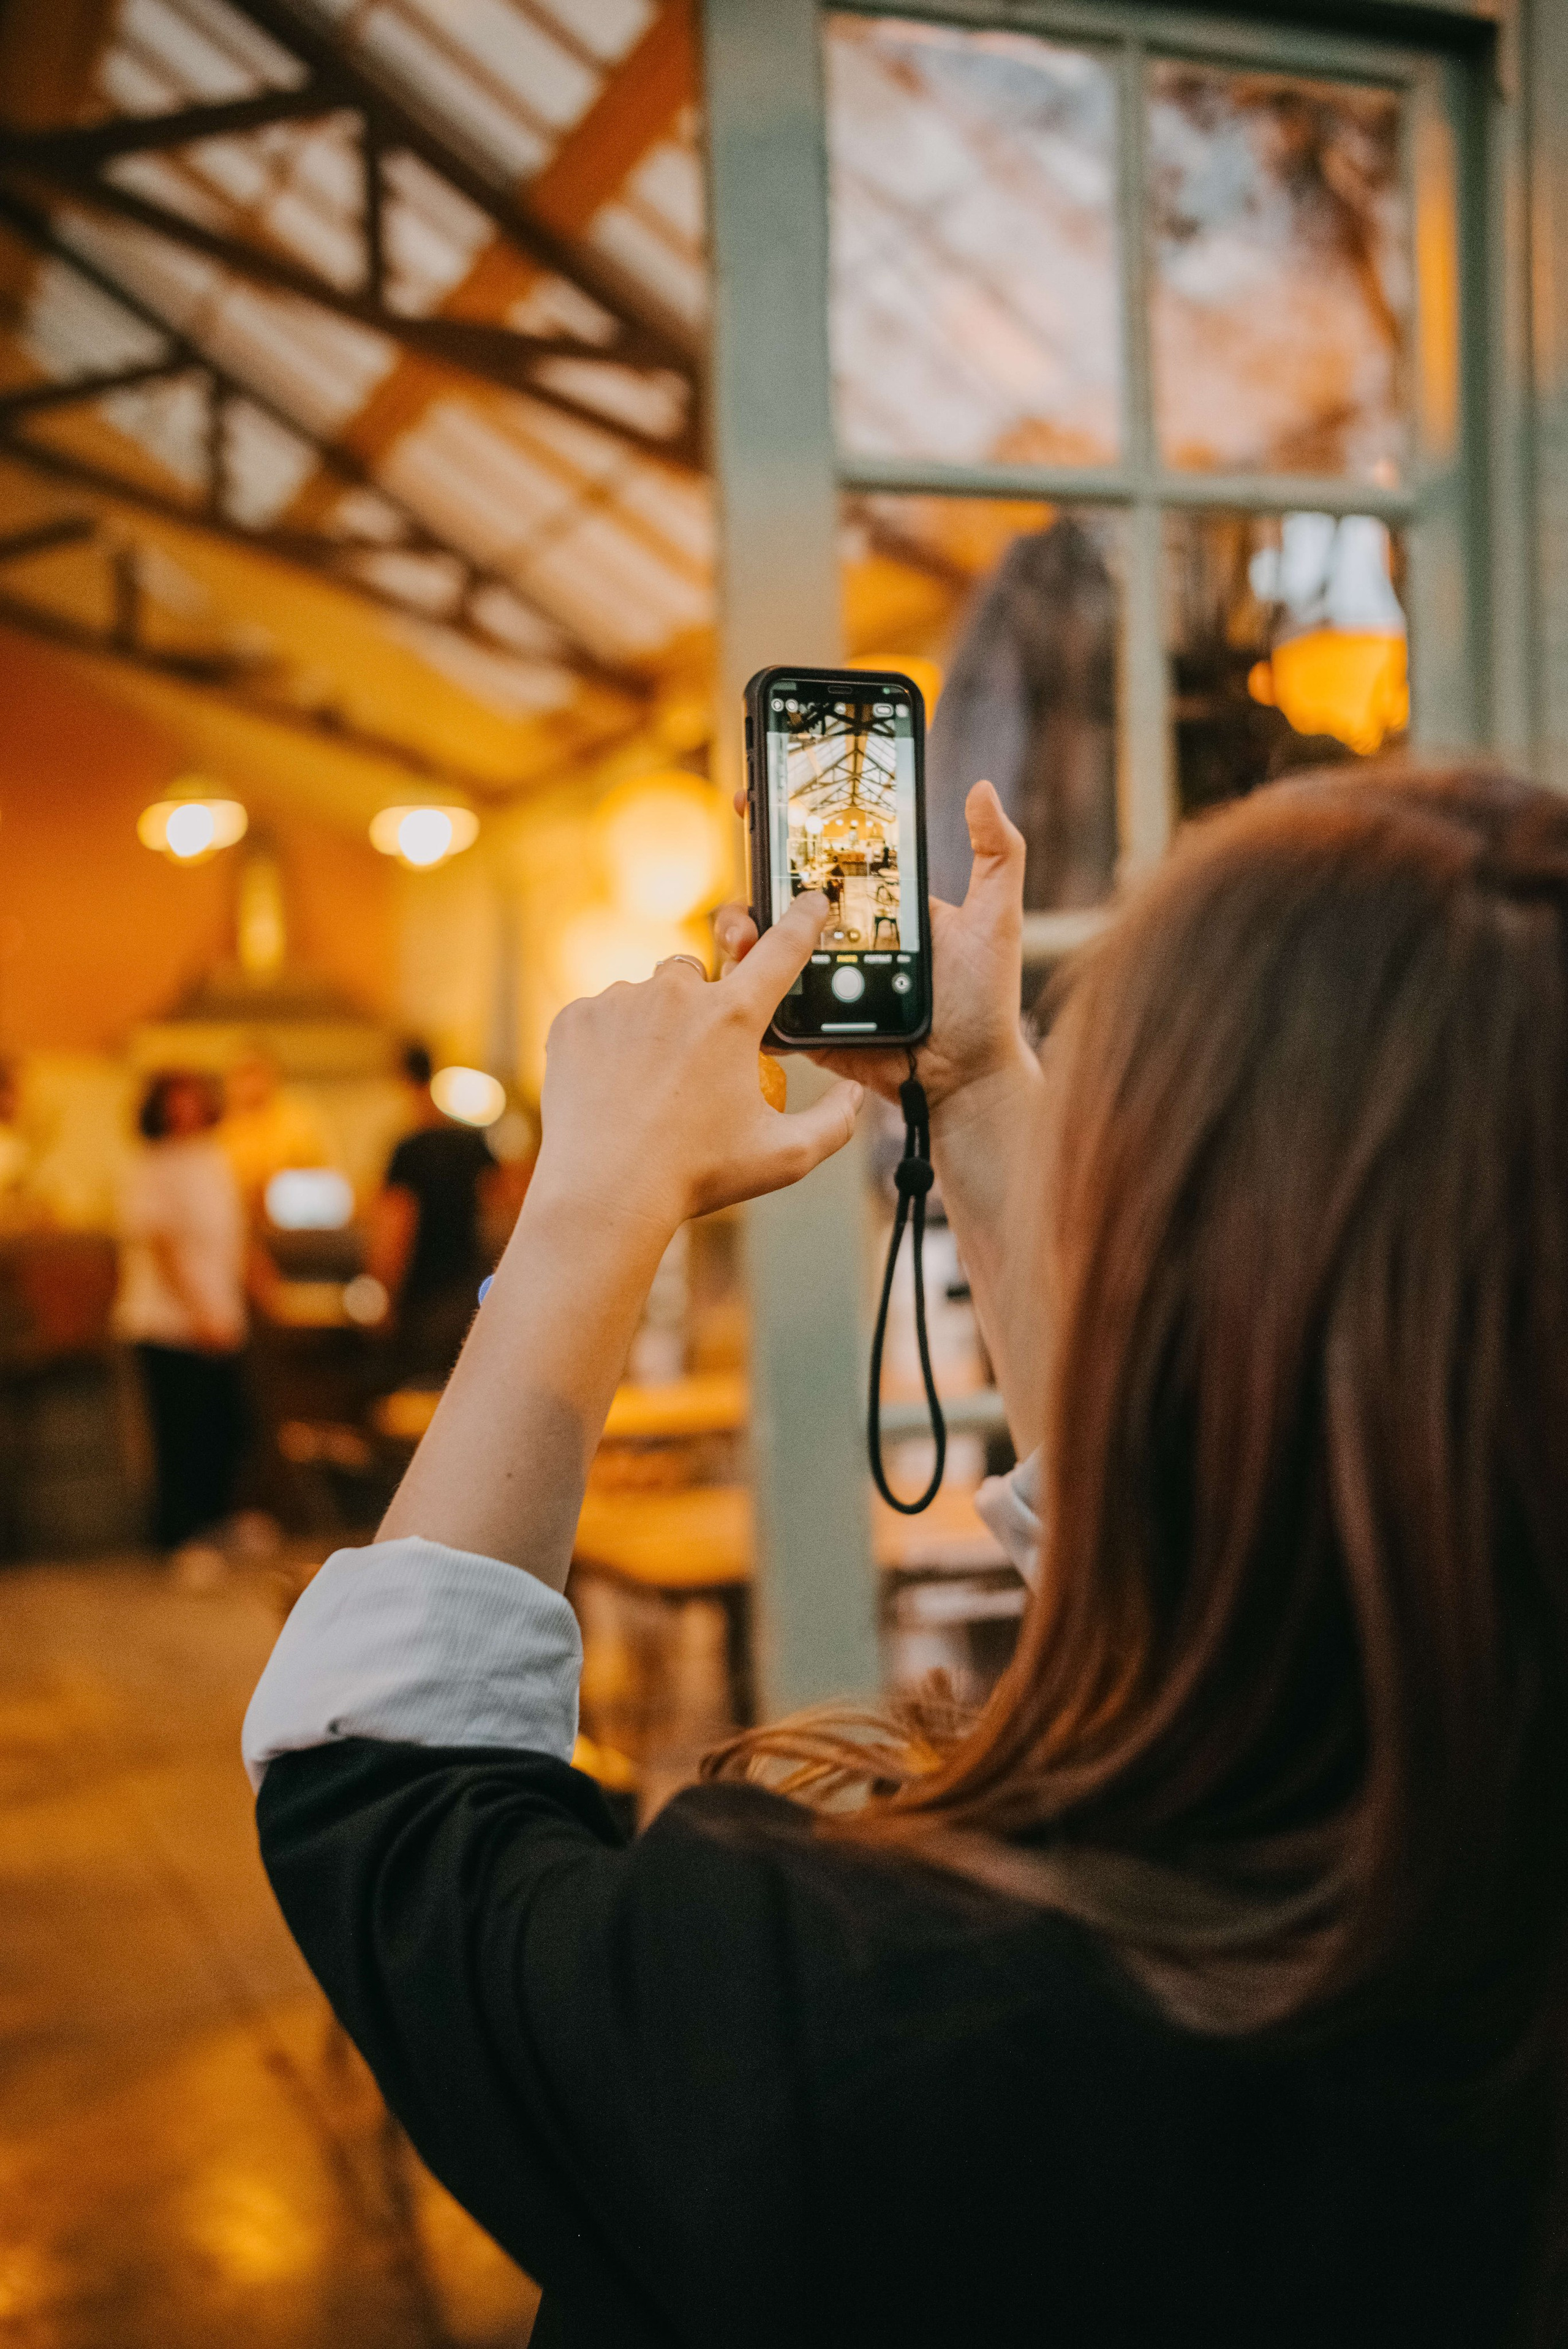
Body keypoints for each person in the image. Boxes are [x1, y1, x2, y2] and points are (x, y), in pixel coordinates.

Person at [245, 767, 1568, 2347]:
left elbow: (382, 1781)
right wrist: (985, 1086)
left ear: (1170, 1263)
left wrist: (594, 1197)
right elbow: (1218, 1548)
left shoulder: (846, 2003)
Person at [116, 1071, 247, 1580]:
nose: (187, 1112)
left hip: (221, 1316)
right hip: (167, 1323)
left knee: (224, 1425)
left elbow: (235, 1236)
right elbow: (163, 1249)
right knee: (178, 1433)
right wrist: (198, 1313)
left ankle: (216, 1521)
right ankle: (178, 1535)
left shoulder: (213, 1159)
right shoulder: (153, 1166)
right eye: (177, 1104)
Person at [365, 1043, 499, 1384]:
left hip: (422, 1300)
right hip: (469, 1293)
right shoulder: (472, 1142)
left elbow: (396, 1227)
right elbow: (503, 1205)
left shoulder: (407, 1150)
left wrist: (383, 1292)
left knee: (414, 1397)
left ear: (402, 1080)